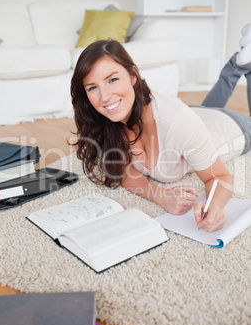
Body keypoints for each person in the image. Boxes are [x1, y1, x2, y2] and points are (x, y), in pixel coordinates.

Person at [71, 25, 251, 232]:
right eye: (92, 87)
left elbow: (220, 177)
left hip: (234, 127)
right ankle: (236, 67)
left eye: (112, 80)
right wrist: (159, 194)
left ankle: (239, 67)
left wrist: (214, 206)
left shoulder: (177, 121)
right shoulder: (105, 118)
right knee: (203, 110)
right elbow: (121, 169)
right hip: (197, 115)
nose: (104, 96)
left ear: (133, 76)